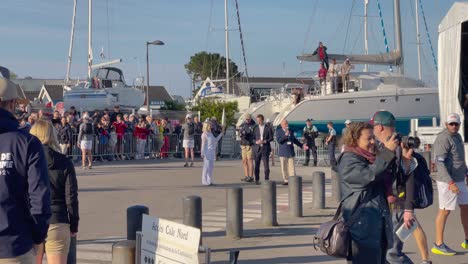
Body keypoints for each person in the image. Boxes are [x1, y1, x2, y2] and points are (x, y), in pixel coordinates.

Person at [0, 77, 51, 262]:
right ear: (12, 103)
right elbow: (39, 196)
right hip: (14, 244)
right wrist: (39, 236)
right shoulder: (26, 142)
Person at [370, 110, 427, 264]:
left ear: (380, 127)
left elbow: (409, 177)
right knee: (383, 252)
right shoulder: (379, 145)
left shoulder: (398, 145)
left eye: (373, 126)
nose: (372, 130)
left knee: (392, 254)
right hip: (384, 206)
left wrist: (408, 209)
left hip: (397, 206)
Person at [338, 122, 398, 263]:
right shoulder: (348, 160)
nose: (373, 142)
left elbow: (385, 177)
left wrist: (403, 160)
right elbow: (369, 176)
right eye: (368, 139)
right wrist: (387, 153)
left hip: (378, 224)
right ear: (354, 139)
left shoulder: (372, 158)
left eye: (373, 138)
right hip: (362, 228)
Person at [30, 120, 79, 264]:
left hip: (32, 219)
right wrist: (74, 223)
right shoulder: (64, 161)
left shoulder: (28, 160)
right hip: (58, 219)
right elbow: (71, 197)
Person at [432, 113, 468, 255]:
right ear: (446, 124)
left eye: (456, 124)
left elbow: (460, 158)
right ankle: (438, 244)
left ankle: (466, 239)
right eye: (451, 124)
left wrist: (466, 172)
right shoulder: (443, 138)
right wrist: (450, 182)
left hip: (460, 179)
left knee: (465, 207)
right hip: (448, 181)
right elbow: (439, 163)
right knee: (445, 210)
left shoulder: (458, 136)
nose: (454, 126)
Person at [276, 119, 308, 185]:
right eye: (285, 123)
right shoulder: (278, 131)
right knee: (284, 167)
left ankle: (292, 179)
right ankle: (286, 180)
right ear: (281, 125)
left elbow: (295, 140)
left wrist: (302, 145)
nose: (287, 125)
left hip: (290, 151)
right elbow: (279, 141)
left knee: (292, 167)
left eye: (287, 123)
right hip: (283, 152)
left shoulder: (291, 131)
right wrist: (285, 135)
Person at [253, 114, 274, 185]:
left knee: (266, 166)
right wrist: (256, 141)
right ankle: (257, 179)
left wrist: (265, 141)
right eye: (257, 120)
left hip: (265, 148)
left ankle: (266, 179)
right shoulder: (255, 128)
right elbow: (252, 138)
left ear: (262, 120)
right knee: (257, 165)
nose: (258, 122)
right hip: (257, 149)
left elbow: (271, 138)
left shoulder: (268, 128)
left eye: (259, 120)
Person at [201, 121, 223, 186]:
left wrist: (221, 134)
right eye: (209, 125)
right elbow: (203, 145)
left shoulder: (210, 133)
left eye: (210, 125)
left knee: (210, 167)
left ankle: (209, 180)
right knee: (206, 167)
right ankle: (204, 180)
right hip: (207, 152)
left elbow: (215, 140)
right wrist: (202, 153)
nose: (210, 126)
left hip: (212, 152)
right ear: (206, 126)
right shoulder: (204, 134)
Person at [238, 113, 256, 182]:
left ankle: (251, 176)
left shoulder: (254, 125)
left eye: (248, 119)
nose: (247, 120)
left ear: (251, 118)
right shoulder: (243, 124)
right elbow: (240, 132)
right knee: (244, 161)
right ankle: (246, 176)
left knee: (250, 160)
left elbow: (254, 135)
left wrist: (248, 133)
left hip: (250, 144)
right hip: (243, 144)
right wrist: (241, 132)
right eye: (246, 119)